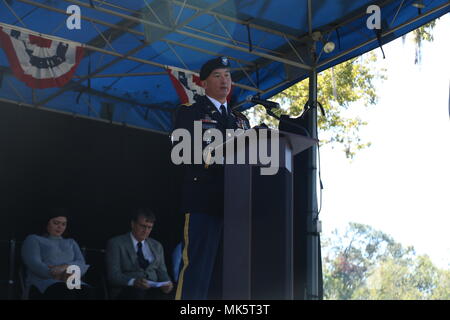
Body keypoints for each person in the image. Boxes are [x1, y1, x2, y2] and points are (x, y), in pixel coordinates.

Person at [172, 56, 250, 300]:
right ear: (203, 83)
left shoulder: (241, 120)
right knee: (198, 269)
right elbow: (181, 151)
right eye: (217, 75)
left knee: (229, 273)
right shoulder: (191, 112)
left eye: (227, 75)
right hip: (203, 200)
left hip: (235, 204)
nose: (224, 80)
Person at [21, 208, 93, 300]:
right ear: (47, 223)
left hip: (70, 280)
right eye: (56, 223)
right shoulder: (33, 239)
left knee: (88, 292)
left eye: (63, 224)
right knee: (64, 291)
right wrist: (60, 274)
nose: (60, 227)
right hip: (43, 281)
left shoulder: (71, 242)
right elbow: (35, 264)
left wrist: (65, 267)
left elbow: (81, 263)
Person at [105, 208, 174, 300]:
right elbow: (113, 276)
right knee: (138, 294)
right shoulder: (116, 243)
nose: (146, 231)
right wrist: (134, 282)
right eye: (142, 226)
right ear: (133, 224)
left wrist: (167, 283)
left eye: (149, 227)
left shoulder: (157, 246)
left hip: (153, 290)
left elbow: (162, 272)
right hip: (127, 290)